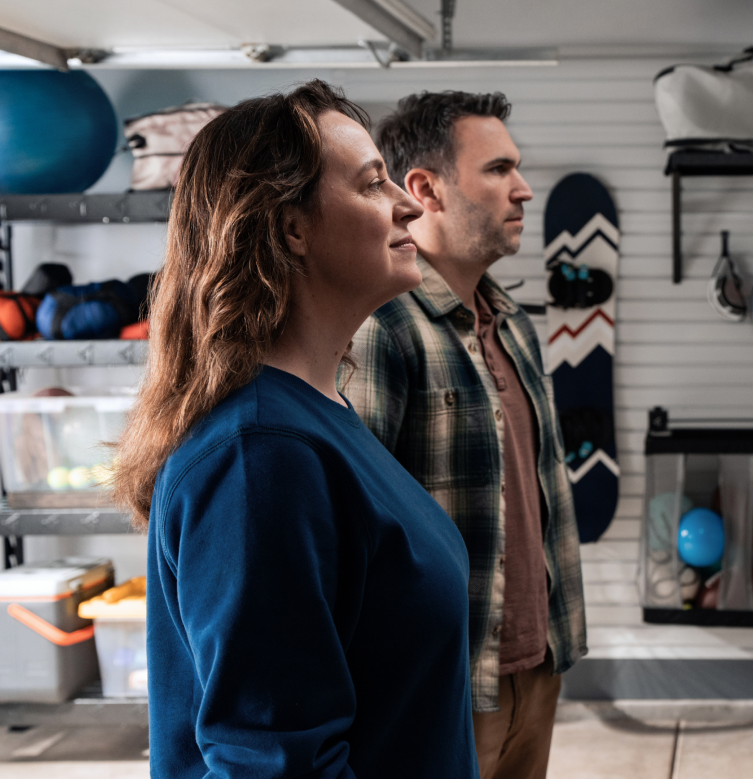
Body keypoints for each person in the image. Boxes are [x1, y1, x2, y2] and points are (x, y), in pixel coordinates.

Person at [112, 80, 478, 779]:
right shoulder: (260, 458)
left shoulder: (320, 414)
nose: (407, 203)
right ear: (291, 227)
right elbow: (273, 765)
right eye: (373, 185)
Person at [344, 91, 586, 779]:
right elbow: (351, 538)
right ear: (426, 189)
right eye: (498, 169)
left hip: (535, 670)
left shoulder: (513, 324)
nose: (524, 188)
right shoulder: (381, 327)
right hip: (444, 687)